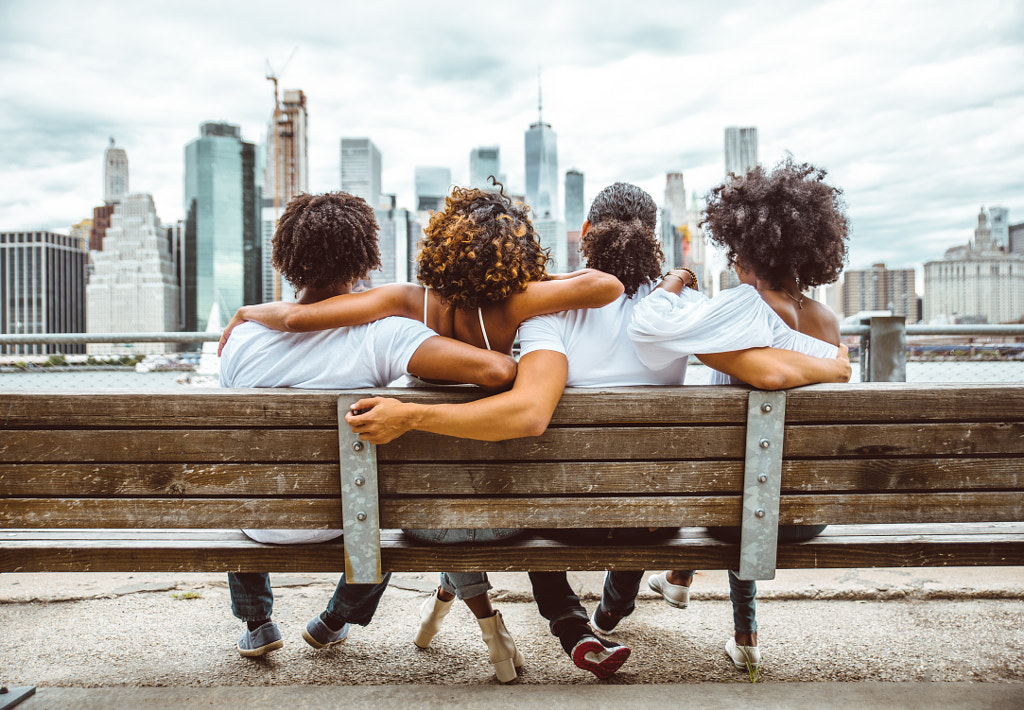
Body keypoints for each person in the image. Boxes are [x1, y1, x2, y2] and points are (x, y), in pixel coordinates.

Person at [344, 182, 852, 679]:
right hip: (657, 516)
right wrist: (833, 363)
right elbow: (765, 367)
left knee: (531, 497)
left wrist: (411, 414)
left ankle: (574, 625)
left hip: (569, 517)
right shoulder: (678, 313)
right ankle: (608, 613)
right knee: (636, 485)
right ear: (654, 239)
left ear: (586, 231)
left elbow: (528, 414)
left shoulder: (550, 312)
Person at [218, 183, 623, 683]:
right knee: (377, 508)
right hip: (348, 518)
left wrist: (247, 313)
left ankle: (257, 621)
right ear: (366, 260)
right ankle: (337, 617)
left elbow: (298, 318)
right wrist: (521, 280)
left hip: (256, 516)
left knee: (286, 484)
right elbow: (513, 361)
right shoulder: (393, 335)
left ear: (283, 258)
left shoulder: (251, 339)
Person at [600, 157, 849, 673]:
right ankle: (736, 627)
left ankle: (656, 591)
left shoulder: (747, 306)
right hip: (810, 516)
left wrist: (675, 278)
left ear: (746, 251)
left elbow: (647, 324)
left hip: (742, 514)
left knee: (740, 482)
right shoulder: (827, 319)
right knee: (756, 469)